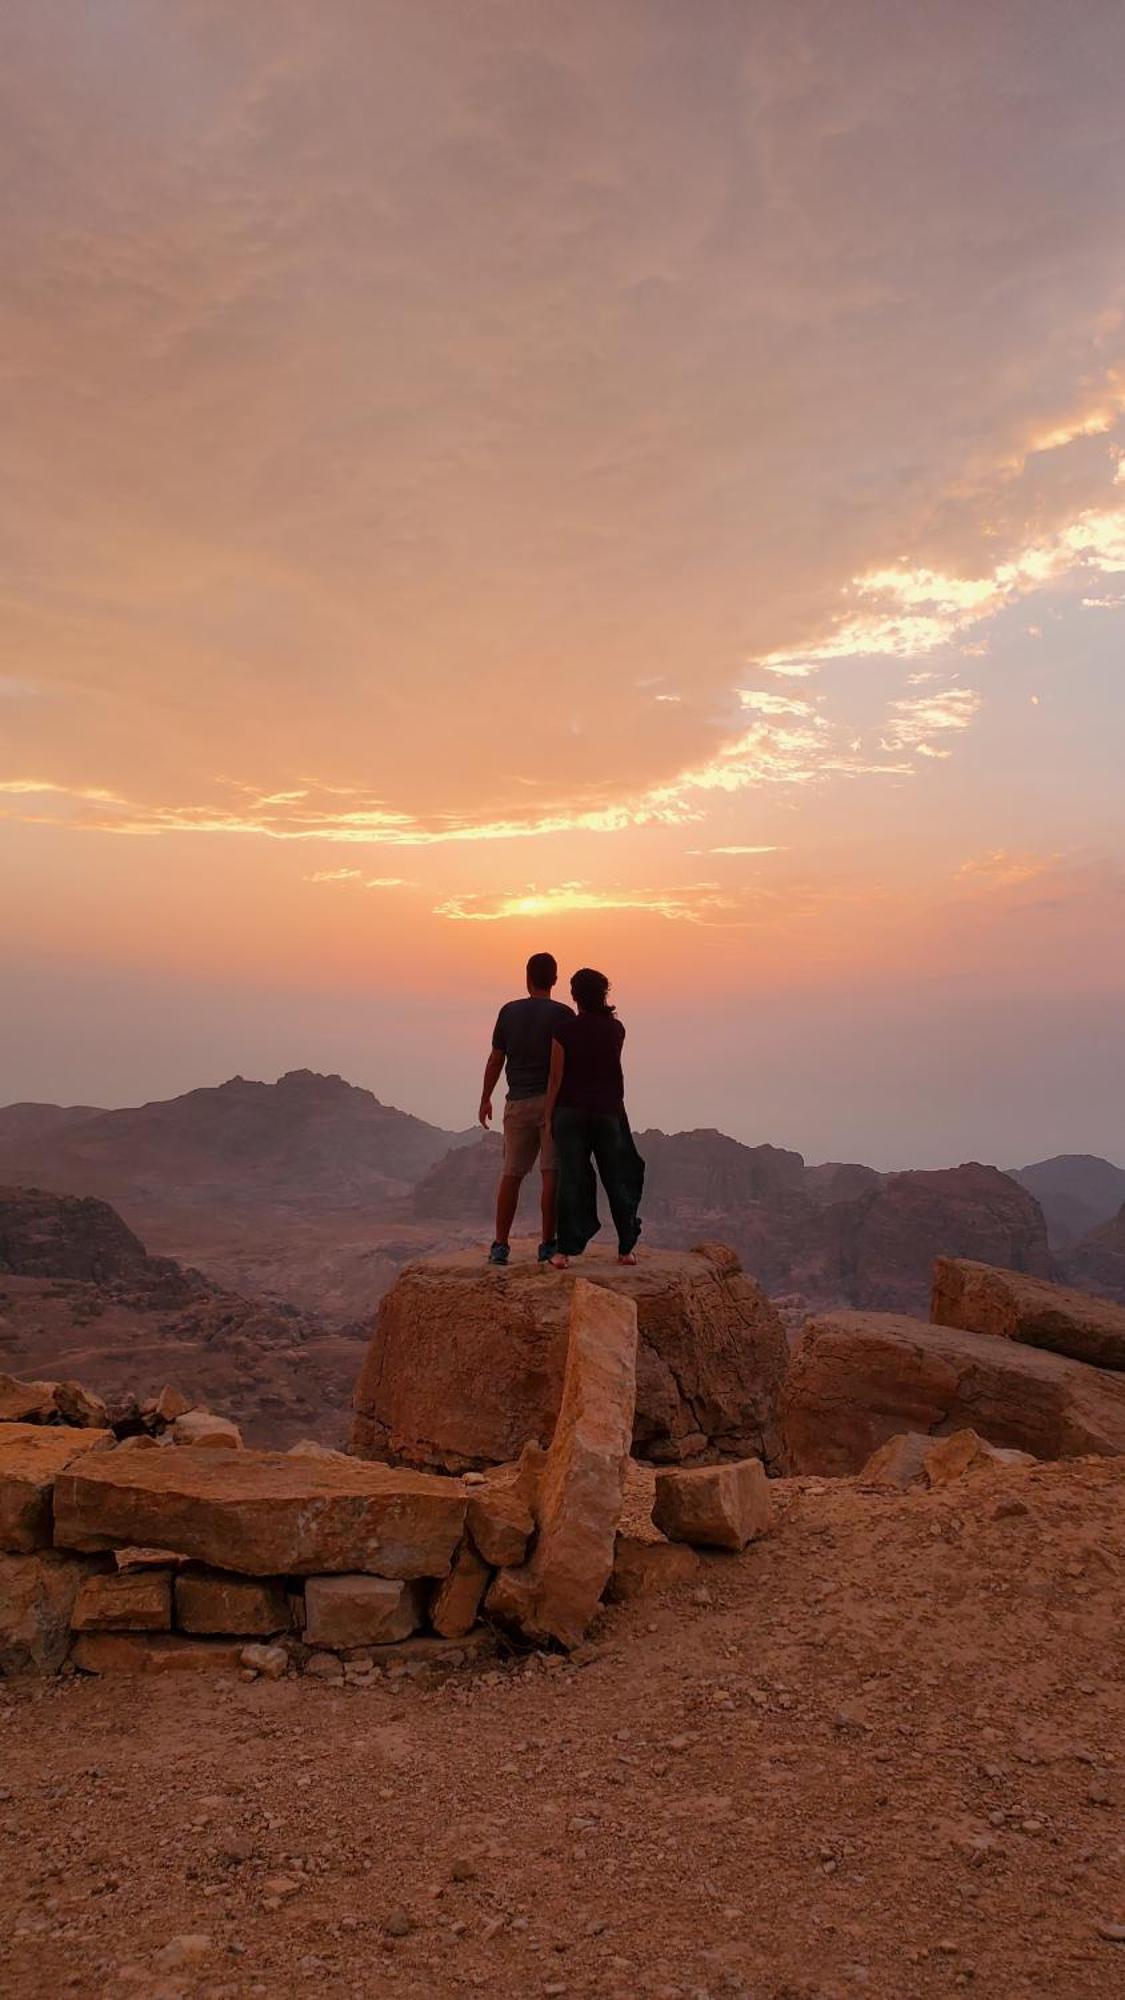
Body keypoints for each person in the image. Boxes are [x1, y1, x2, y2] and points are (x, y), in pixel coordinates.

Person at [542, 966, 644, 1269]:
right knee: (619, 1176)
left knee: (572, 1178)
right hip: (608, 1111)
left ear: (574, 995)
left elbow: (556, 1077)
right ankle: (626, 1249)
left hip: (570, 1112)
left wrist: (548, 1117)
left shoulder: (563, 1030)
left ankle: (563, 1252)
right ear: (603, 994)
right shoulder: (616, 1029)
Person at [478, 951, 573, 1265]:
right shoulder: (564, 1015)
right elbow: (569, 1064)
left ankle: (500, 1245)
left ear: (527, 977)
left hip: (517, 1102)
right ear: (555, 980)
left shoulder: (509, 1012)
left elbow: (496, 1058)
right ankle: (547, 1244)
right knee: (551, 1175)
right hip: (552, 1104)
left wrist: (485, 1097)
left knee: (512, 1175)